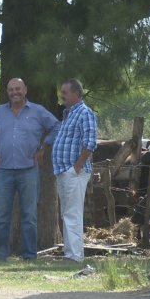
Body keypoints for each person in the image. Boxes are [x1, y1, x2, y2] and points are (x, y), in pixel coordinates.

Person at [0, 78, 60, 261]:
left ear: (25, 90)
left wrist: (43, 147)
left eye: (18, 89)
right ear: (7, 92)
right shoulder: (0, 112)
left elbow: (57, 126)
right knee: (2, 214)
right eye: (11, 90)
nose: (14, 92)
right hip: (4, 170)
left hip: (29, 170)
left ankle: (29, 255)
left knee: (29, 215)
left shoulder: (37, 111)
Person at [52, 78, 97, 263]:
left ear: (76, 94)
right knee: (67, 213)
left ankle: (75, 256)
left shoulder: (85, 113)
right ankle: (70, 254)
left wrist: (76, 167)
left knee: (72, 213)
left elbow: (90, 143)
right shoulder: (68, 114)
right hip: (64, 170)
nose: (62, 96)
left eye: (65, 92)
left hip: (74, 172)